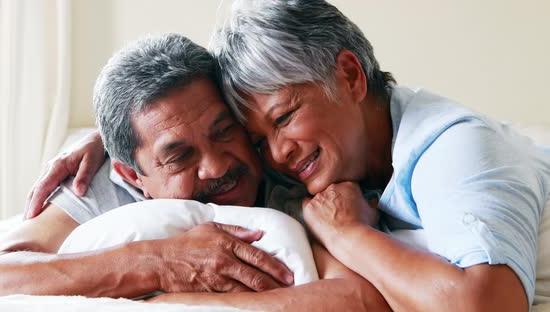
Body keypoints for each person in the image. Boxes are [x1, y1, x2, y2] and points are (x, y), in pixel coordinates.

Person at [28, 0, 550, 310]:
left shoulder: (453, 149)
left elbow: (482, 306)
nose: (274, 154)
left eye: (282, 118)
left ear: (349, 76)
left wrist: (346, 231)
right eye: (256, 137)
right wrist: (106, 139)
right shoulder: (303, 163)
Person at [0, 34, 390, 311]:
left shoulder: (281, 162)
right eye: (180, 157)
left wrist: (169, 302)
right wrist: (158, 262)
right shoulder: (99, 182)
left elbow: (360, 298)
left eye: (225, 132)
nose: (219, 165)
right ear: (131, 175)